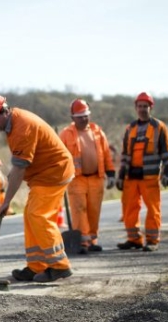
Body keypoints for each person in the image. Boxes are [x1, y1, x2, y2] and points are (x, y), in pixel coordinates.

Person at [0, 93, 74, 283]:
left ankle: (59, 266)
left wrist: (6, 202)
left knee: (38, 216)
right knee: (30, 215)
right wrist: (15, 171)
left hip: (54, 173)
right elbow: (21, 162)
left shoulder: (22, 127)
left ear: (3, 112)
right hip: (43, 174)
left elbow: (21, 168)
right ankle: (36, 266)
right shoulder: (13, 124)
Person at [116, 92, 168, 252]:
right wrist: (121, 174)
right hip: (131, 177)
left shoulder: (159, 127)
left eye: (145, 106)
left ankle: (152, 240)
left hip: (149, 177)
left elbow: (166, 152)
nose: (142, 109)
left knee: (153, 209)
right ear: (136, 108)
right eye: (140, 106)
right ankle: (134, 239)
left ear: (151, 107)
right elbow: (125, 153)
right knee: (129, 209)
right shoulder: (130, 128)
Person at [58, 99, 116, 254]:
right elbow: (58, 156)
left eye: (86, 115)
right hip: (76, 179)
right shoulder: (65, 134)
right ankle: (82, 242)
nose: (83, 119)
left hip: (96, 178)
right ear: (73, 118)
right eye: (80, 116)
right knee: (79, 209)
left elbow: (106, 155)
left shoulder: (98, 132)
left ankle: (92, 240)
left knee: (94, 210)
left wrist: (111, 173)